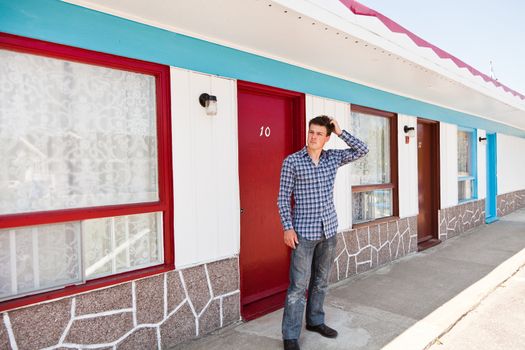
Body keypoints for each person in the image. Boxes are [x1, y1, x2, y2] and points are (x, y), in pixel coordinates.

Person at [277, 115, 369, 350]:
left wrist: (340, 132)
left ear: (326, 138)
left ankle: (315, 321)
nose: (313, 137)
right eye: (311, 132)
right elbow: (282, 198)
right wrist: (287, 227)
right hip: (303, 233)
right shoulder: (293, 161)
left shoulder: (332, 158)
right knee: (298, 286)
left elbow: (362, 150)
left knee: (321, 281)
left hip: (328, 230)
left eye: (319, 133)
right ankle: (290, 336)